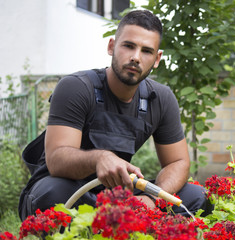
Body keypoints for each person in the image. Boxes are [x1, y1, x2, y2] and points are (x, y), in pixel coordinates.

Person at [18, 9, 212, 221]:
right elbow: (56, 160)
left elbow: (178, 162)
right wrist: (100, 158)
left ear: (157, 59)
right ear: (112, 46)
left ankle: (126, 224)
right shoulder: (76, 87)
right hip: (61, 186)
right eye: (128, 46)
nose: (135, 57)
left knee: (195, 197)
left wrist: (152, 198)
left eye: (146, 51)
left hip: (115, 195)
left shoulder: (160, 99)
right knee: (54, 195)